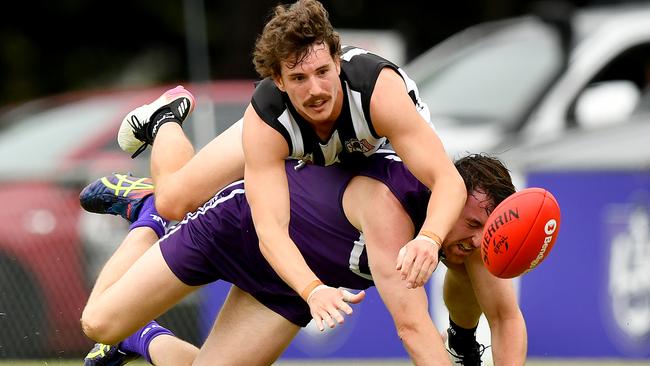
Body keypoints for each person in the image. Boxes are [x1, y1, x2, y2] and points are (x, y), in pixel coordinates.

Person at [115, 0, 467, 328]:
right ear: (280, 81)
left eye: (322, 72)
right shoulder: (270, 110)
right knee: (172, 201)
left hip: (339, 158)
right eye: (299, 78)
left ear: (337, 61)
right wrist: (312, 289)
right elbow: (270, 229)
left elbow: (448, 182)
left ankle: (462, 341)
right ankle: (163, 120)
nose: (315, 88)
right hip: (297, 131)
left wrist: (429, 238)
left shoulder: (376, 91)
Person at [80, 151, 526, 366]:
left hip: (288, 284)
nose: (475, 242)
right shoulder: (392, 204)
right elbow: (412, 327)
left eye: (484, 232)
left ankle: (139, 338)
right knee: (97, 322)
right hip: (239, 230)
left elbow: (505, 317)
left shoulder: (470, 234)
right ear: (446, 197)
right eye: (470, 226)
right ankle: (149, 212)